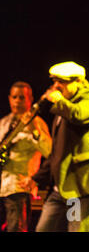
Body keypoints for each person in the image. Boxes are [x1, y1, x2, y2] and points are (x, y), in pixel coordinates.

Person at [30, 61, 89, 232]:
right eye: (54, 81)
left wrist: (60, 101)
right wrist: (36, 178)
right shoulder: (63, 108)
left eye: (61, 82)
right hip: (60, 189)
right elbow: (57, 151)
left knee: (78, 229)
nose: (56, 86)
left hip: (80, 189)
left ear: (78, 81)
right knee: (43, 229)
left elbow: (79, 115)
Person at [0, 81, 52, 232]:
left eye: (22, 97)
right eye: (14, 97)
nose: (17, 101)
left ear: (30, 99)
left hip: (18, 189)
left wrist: (34, 131)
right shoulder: (3, 122)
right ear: (9, 98)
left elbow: (50, 151)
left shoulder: (37, 123)